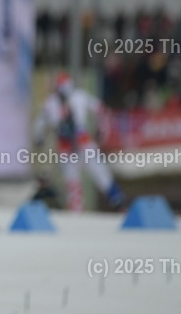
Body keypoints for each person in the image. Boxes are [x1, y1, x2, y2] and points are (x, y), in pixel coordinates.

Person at [32, 72, 124, 211]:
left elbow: (101, 110)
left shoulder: (80, 97)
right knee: (71, 179)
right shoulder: (51, 103)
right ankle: (76, 208)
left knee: (100, 173)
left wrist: (102, 130)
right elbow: (40, 121)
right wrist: (38, 136)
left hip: (83, 142)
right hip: (65, 145)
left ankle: (118, 201)